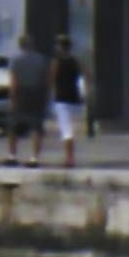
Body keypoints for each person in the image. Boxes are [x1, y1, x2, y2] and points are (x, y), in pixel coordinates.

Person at [7, 30, 51, 167]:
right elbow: (47, 80)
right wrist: (46, 97)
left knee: (14, 127)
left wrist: (12, 99)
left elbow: (14, 82)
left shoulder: (16, 61)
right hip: (37, 94)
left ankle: (12, 156)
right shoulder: (41, 60)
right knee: (37, 128)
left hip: (21, 94)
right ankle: (34, 158)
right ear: (32, 45)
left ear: (20, 46)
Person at [50, 40, 87, 168]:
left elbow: (51, 79)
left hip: (61, 98)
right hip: (74, 97)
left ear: (60, 47)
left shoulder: (56, 62)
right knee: (71, 128)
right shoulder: (76, 61)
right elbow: (86, 75)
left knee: (66, 130)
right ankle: (70, 157)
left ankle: (69, 158)